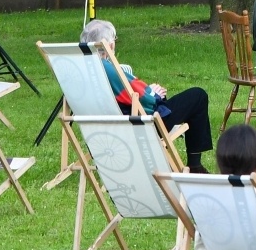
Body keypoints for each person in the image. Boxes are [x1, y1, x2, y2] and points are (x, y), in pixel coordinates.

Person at [81, 19, 213, 172]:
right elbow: (145, 98)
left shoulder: (82, 69)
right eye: (114, 40)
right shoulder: (109, 70)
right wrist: (153, 92)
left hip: (102, 129)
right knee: (198, 96)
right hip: (140, 124)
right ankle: (195, 164)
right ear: (110, 45)